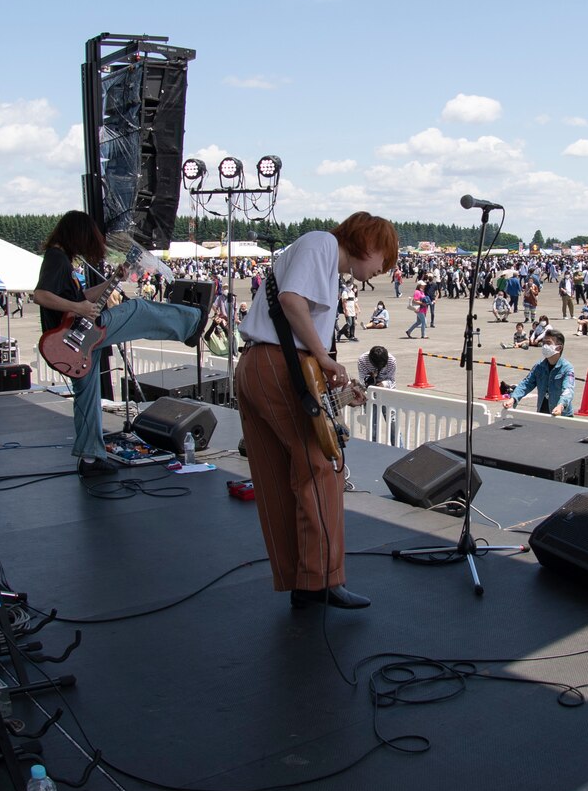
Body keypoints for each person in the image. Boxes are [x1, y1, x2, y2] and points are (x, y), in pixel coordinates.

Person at [235, 211, 398, 610]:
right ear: (368, 244)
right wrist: (324, 357)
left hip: (260, 364)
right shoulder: (322, 244)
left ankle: (298, 580)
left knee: (275, 477)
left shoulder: (315, 251)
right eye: (384, 259)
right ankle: (321, 579)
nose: (381, 269)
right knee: (321, 467)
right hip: (278, 366)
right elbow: (292, 302)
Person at [33, 210, 203, 476]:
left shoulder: (61, 259)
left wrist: (112, 281)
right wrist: (77, 307)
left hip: (74, 342)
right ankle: (192, 322)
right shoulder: (57, 258)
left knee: (87, 396)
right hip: (76, 335)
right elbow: (41, 295)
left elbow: (82, 296)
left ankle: (90, 458)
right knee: (137, 309)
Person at [505, 328, 576, 415]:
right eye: (544, 343)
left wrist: (561, 405)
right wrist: (513, 398)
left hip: (561, 415)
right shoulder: (539, 366)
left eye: (548, 343)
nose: (545, 346)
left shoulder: (567, 368)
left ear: (559, 348)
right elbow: (526, 383)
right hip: (542, 414)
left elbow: (568, 389)